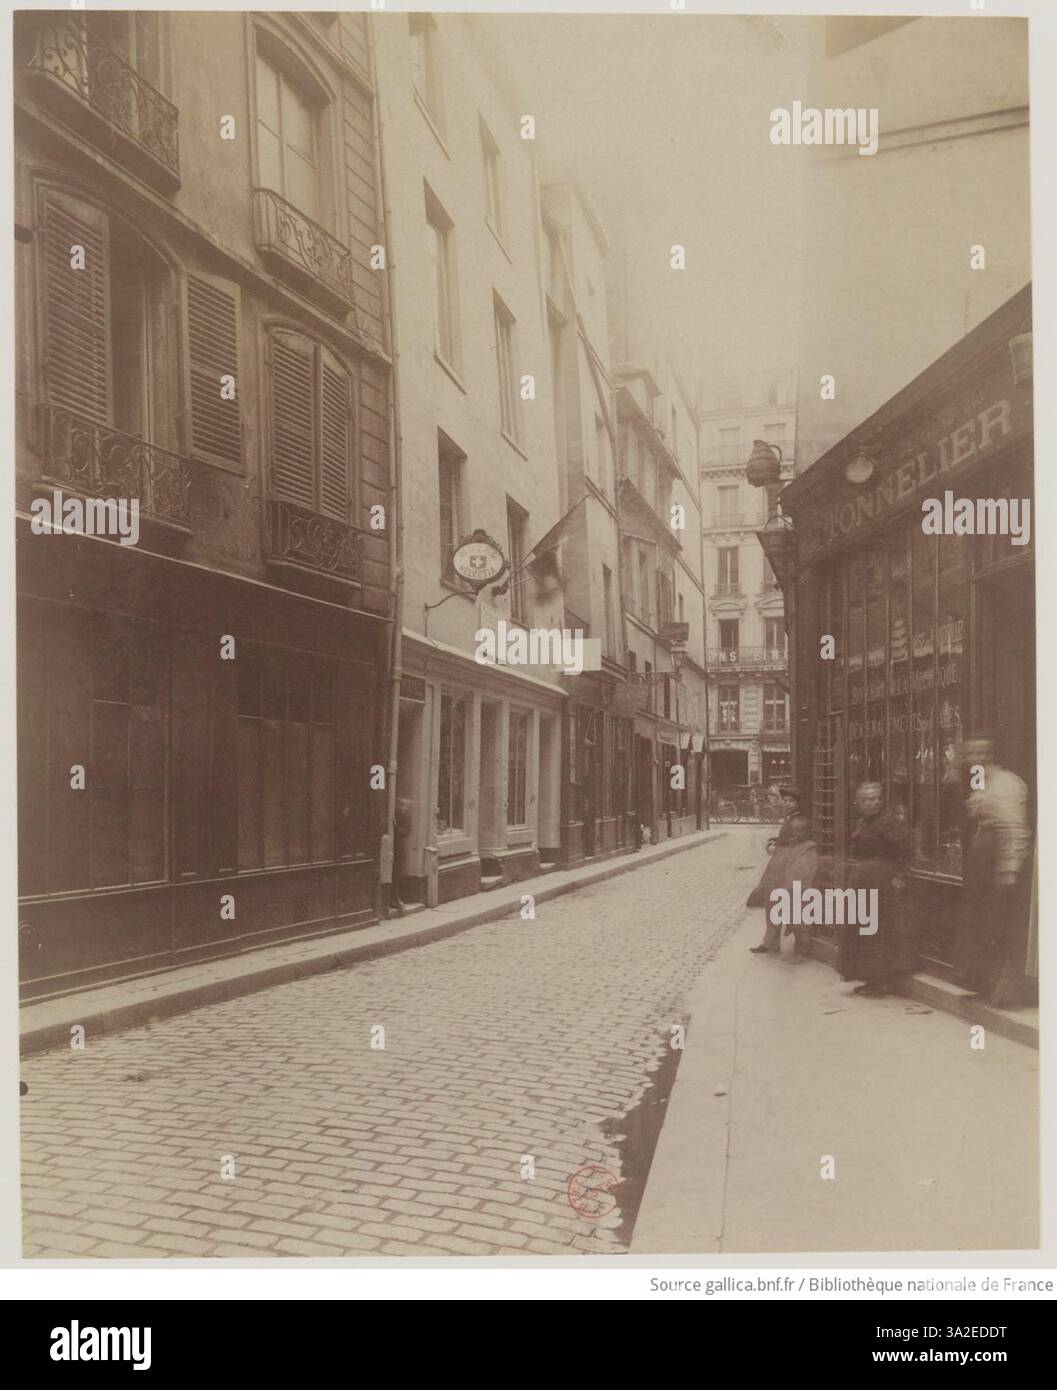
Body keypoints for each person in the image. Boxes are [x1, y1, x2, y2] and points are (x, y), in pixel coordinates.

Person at [959, 734, 1032, 1004]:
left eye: (982, 753)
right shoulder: (980, 781)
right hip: (982, 857)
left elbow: (1015, 828)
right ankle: (983, 984)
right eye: (970, 754)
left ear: (992, 754)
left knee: (999, 922)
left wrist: (1009, 868)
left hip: (998, 859)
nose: (975, 759)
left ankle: (1006, 991)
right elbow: (977, 814)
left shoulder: (1008, 783)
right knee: (980, 921)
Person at [838, 782, 911, 996]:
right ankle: (870, 978)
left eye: (877, 798)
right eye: (868, 799)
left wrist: (899, 875)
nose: (874, 802)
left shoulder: (887, 821)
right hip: (864, 877)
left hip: (880, 879)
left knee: (876, 929)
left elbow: (905, 848)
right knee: (864, 928)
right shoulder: (864, 821)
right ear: (858, 803)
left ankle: (880, 980)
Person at [747, 811, 819, 956]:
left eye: (800, 832)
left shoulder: (808, 847)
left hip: (794, 886)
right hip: (782, 878)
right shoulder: (792, 838)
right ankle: (770, 943)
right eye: (795, 832)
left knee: (798, 914)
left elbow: (801, 871)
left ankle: (801, 948)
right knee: (773, 906)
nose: (797, 835)